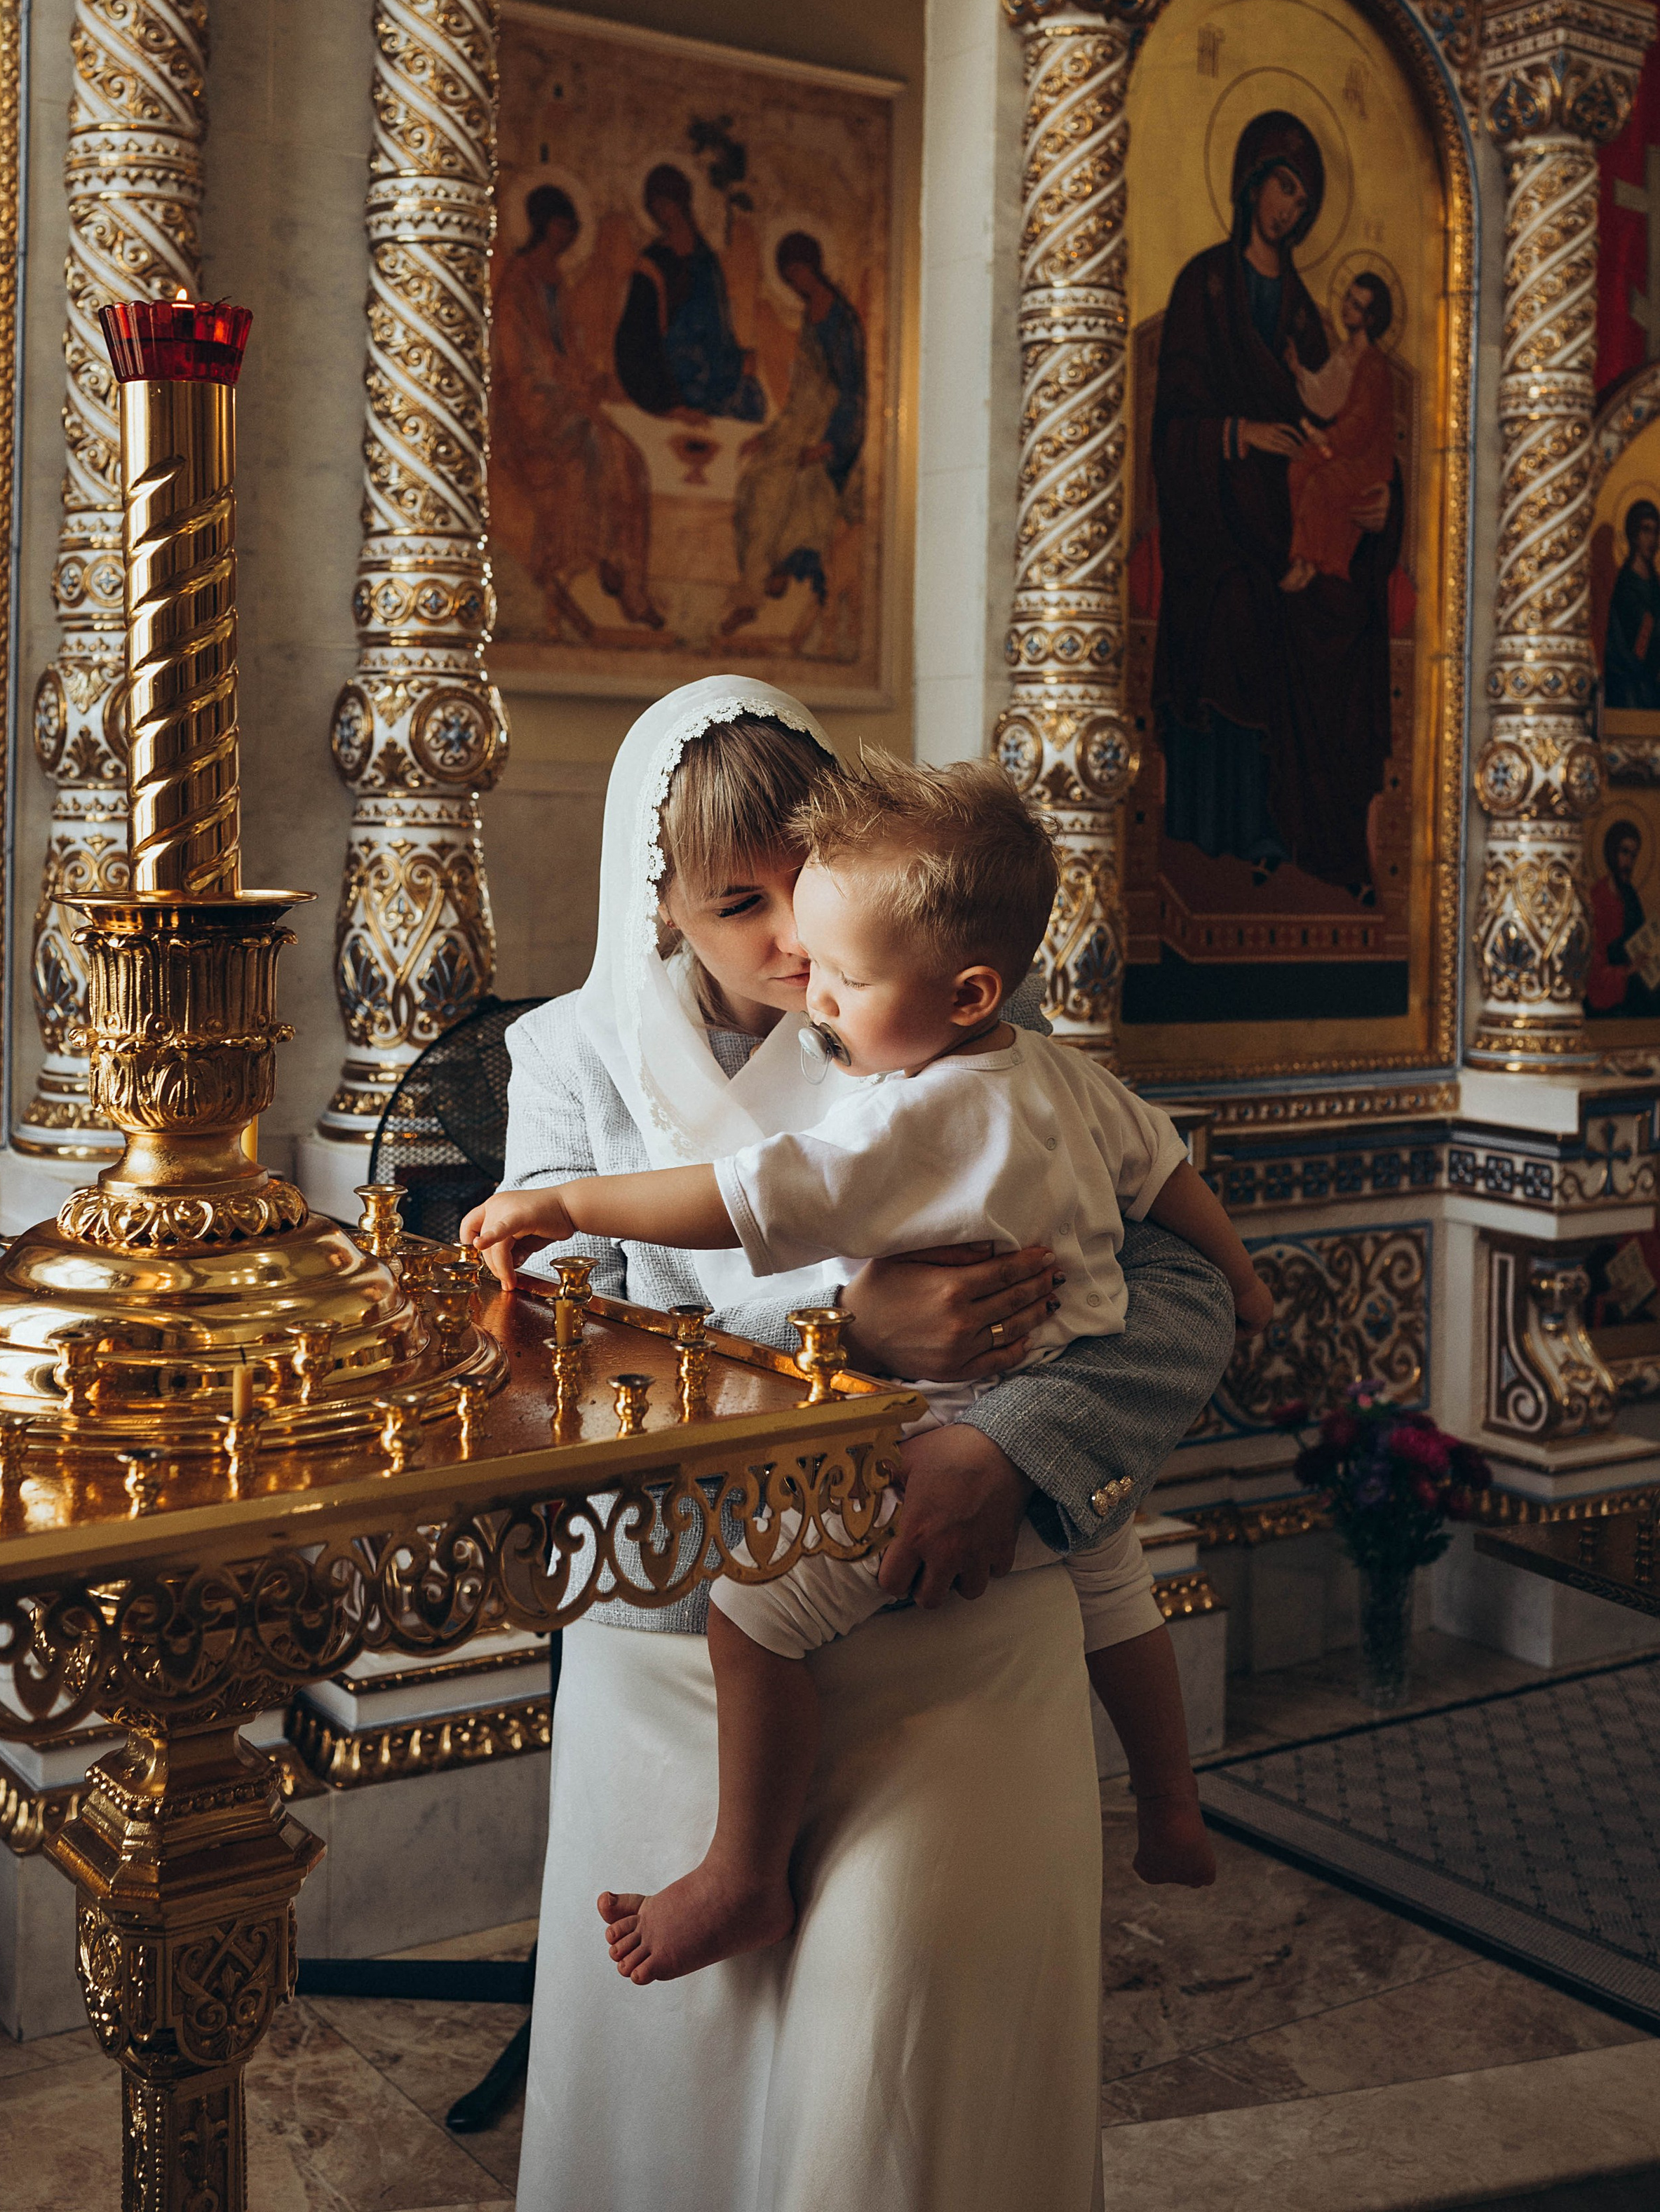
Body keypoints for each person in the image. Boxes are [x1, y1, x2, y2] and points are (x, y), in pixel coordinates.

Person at [504, 675, 1239, 2212]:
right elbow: (554, 1359)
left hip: (956, 1611)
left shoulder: (941, 1018)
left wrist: (1010, 1442)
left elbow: (1172, 1292)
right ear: (652, 903)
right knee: (684, 2104)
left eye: (806, 881)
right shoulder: (567, 1061)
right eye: (734, 900)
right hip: (688, 1632)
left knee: (901, 2086)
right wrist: (850, 1343)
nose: (788, 936)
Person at [1151, 107, 1401, 897]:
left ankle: (1314, 838)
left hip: (1291, 513)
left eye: (1303, 197)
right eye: (1284, 186)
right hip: (1216, 517)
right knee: (1238, 603)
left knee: (1339, 613)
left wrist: (1384, 504)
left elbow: (1346, 421)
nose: (1290, 207)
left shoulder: (1302, 311)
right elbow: (1171, 427)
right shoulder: (1203, 285)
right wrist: (1238, 434)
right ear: (1252, 180)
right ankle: (1227, 826)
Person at [492, 185, 664, 642]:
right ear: (546, 223)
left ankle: (628, 578)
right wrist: (567, 382)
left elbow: (566, 346)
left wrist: (586, 377)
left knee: (629, 457)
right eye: (564, 225)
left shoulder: (555, 279)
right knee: (602, 446)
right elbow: (521, 357)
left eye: (573, 228)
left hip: (564, 398)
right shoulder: (518, 281)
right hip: (529, 406)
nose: (570, 235)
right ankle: (614, 567)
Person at [721, 232, 865, 639]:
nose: (796, 282)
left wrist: (828, 446)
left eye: (799, 271)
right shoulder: (809, 317)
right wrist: (769, 436)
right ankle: (755, 582)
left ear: (813, 266)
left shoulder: (843, 320)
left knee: (784, 486)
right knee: (755, 478)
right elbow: (801, 393)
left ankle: (759, 588)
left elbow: (855, 391)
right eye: (788, 277)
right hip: (803, 420)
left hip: (833, 425)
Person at [614, 163, 767, 428]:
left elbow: (720, 327)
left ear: (681, 201)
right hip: (675, 373)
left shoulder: (705, 257)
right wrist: (670, 404)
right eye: (655, 205)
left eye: (666, 202)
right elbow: (635, 339)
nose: (661, 212)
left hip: (715, 366)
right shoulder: (652, 263)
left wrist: (738, 359)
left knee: (755, 401)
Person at [1280, 270, 1398, 592]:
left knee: (1321, 483)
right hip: (1343, 445)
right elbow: (1325, 398)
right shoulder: (1346, 352)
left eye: (1357, 306)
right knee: (1299, 467)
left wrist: (1327, 438)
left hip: (1365, 459)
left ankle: (1314, 563)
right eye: (1348, 298)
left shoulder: (1373, 364)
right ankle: (1301, 559)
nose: (1347, 307)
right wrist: (1298, 372)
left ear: (1371, 319)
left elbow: (1361, 424)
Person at [1586, 819, 1660, 1019]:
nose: (1629, 862)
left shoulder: (1630, 895)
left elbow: (1642, 939)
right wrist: (1628, 970)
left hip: (1637, 978)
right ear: (1612, 852)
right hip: (1612, 990)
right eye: (1624, 852)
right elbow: (1594, 970)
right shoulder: (1598, 898)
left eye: (1634, 855)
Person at [1604, 500, 1660, 713]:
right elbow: (1627, 639)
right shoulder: (1626, 584)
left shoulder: (1655, 584)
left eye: (1656, 532)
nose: (1652, 540)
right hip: (1630, 680)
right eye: (1646, 530)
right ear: (1633, 534)